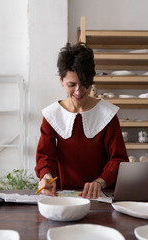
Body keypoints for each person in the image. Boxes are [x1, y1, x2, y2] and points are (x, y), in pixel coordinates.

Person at [35, 42, 129, 199]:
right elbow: (45, 156)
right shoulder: (52, 114)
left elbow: (118, 159)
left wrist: (100, 182)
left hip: (101, 194)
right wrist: (46, 177)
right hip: (63, 196)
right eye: (72, 85)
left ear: (91, 81)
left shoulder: (107, 114)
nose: (78, 91)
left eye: (84, 85)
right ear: (61, 80)